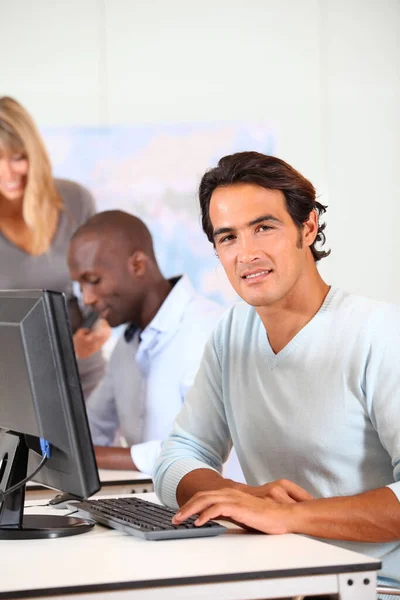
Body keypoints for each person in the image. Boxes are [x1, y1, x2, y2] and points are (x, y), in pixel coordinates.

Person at [154, 151, 400, 582]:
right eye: (227, 238)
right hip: (281, 578)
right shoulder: (233, 331)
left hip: (375, 586)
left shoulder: (378, 332)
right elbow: (178, 455)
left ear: (307, 227)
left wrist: (282, 516)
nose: (246, 254)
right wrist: (241, 497)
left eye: (263, 228)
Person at [67, 209, 239, 477]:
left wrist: (92, 454)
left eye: (93, 281)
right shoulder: (126, 346)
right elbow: (92, 429)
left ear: (137, 265)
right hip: (147, 506)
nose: (87, 299)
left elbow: (197, 451)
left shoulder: (210, 329)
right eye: (80, 286)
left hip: (211, 508)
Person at [0, 96, 110, 398]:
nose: (8, 174)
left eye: (17, 157)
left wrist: (101, 321)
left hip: (83, 374)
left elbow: (102, 281)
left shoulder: (76, 200)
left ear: (34, 153)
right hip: (13, 385)